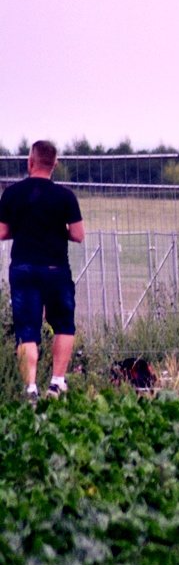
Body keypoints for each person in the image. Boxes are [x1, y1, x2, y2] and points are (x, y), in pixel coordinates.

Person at [0, 141, 86, 402]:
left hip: (24, 268)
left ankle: (30, 388)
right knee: (63, 324)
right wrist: (56, 231)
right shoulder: (65, 197)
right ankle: (57, 383)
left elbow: (2, 231)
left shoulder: (12, 193)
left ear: (30, 161)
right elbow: (78, 235)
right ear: (55, 164)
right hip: (56, 269)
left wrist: (24, 230)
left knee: (27, 329)